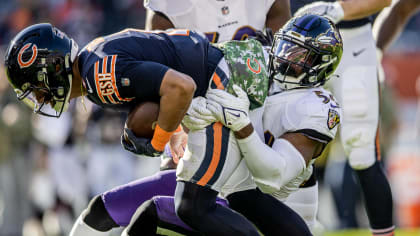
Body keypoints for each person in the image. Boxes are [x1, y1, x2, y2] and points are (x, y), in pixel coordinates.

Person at [3, 22, 311, 235]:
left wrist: (158, 139)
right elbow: (166, 76)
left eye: (37, 88)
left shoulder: (99, 74)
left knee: (194, 206)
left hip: (220, 83)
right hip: (218, 79)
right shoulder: (93, 60)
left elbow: (180, 86)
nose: (40, 98)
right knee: (237, 196)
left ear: (52, 69)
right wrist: (176, 128)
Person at [66, 14, 342, 236]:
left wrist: (243, 127)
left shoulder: (316, 106)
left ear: (321, 66)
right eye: (286, 47)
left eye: (298, 56)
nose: (285, 58)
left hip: (273, 204)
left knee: (189, 206)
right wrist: (185, 116)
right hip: (227, 186)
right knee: (111, 209)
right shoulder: (254, 61)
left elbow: (272, 176)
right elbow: (199, 77)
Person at [294, 0, 395, 235]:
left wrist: (336, 10)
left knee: (361, 150)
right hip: (298, 40)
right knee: (290, 143)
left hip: (352, 40)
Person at [144, 0, 291, 40]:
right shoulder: (167, 5)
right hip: (195, 93)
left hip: (259, 83)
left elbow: (281, 56)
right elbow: (159, 69)